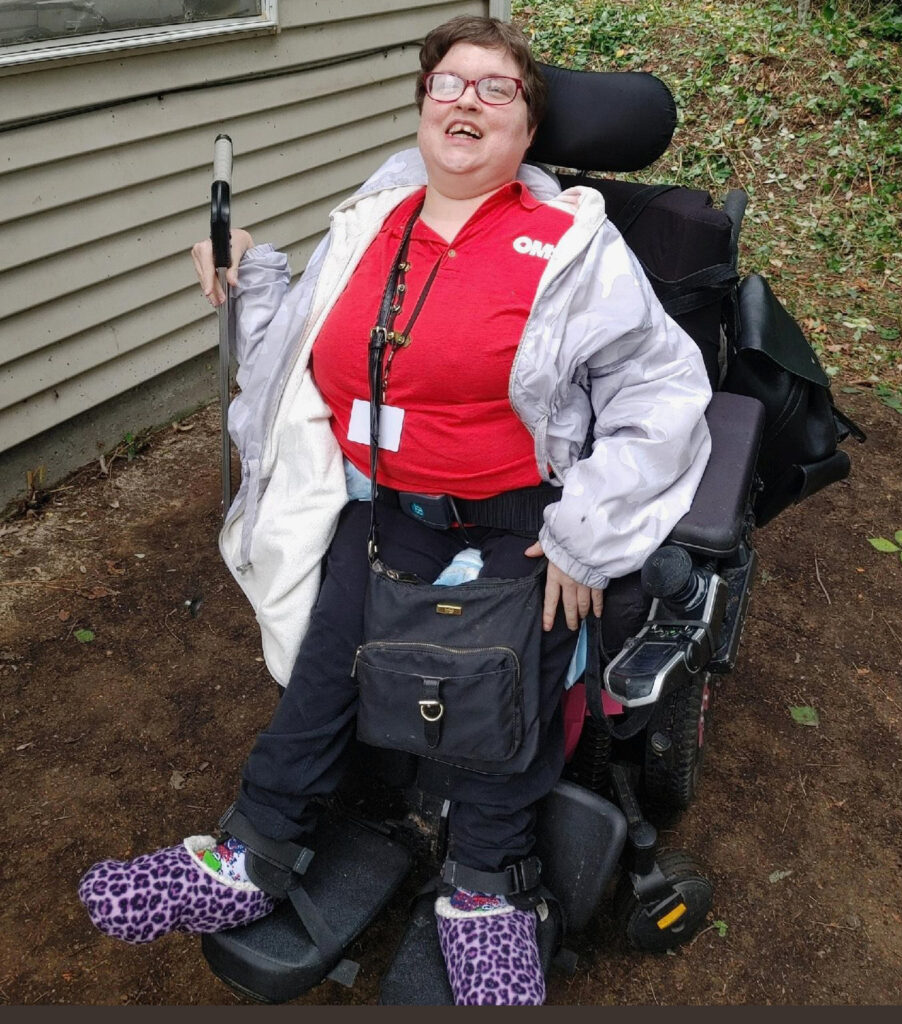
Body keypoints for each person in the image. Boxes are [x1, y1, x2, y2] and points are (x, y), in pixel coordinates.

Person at [77, 15, 712, 1006]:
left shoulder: (570, 245)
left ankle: (486, 890)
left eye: (495, 89)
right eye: (447, 84)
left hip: (521, 518)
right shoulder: (369, 221)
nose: (465, 100)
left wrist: (587, 535)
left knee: (504, 694)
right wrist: (249, 272)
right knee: (325, 677)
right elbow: (299, 353)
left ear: (526, 127)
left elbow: (659, 389)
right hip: (382, 507)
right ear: (422, 107)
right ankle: (248, 857)